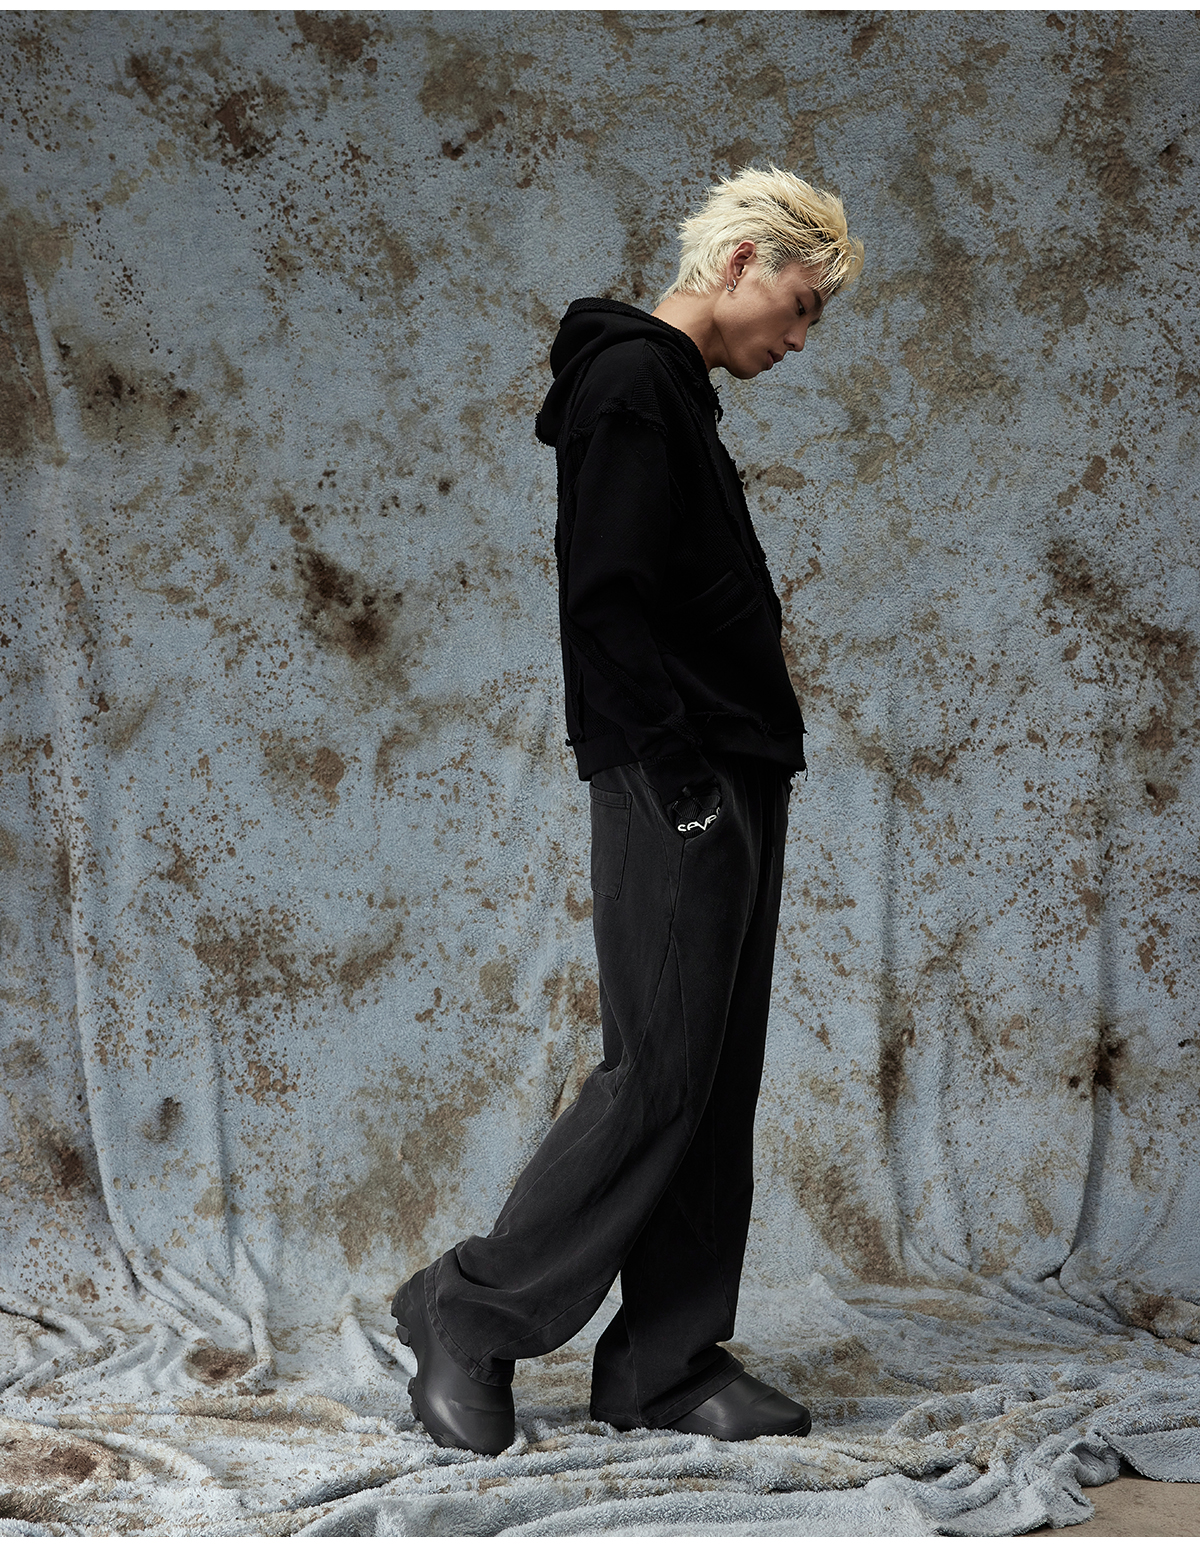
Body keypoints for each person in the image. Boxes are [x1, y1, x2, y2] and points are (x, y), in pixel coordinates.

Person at [392, 166, 864, 1455]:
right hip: (680, 772)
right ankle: (466, 1312)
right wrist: (681, 783)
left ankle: (663, 1360)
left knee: (712, 1078)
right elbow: (604, 601)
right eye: (802, 305)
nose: (802, 339)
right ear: (743, 261)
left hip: (735, 765)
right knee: (656, 1071)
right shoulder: (631, 384)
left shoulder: (677, 394)